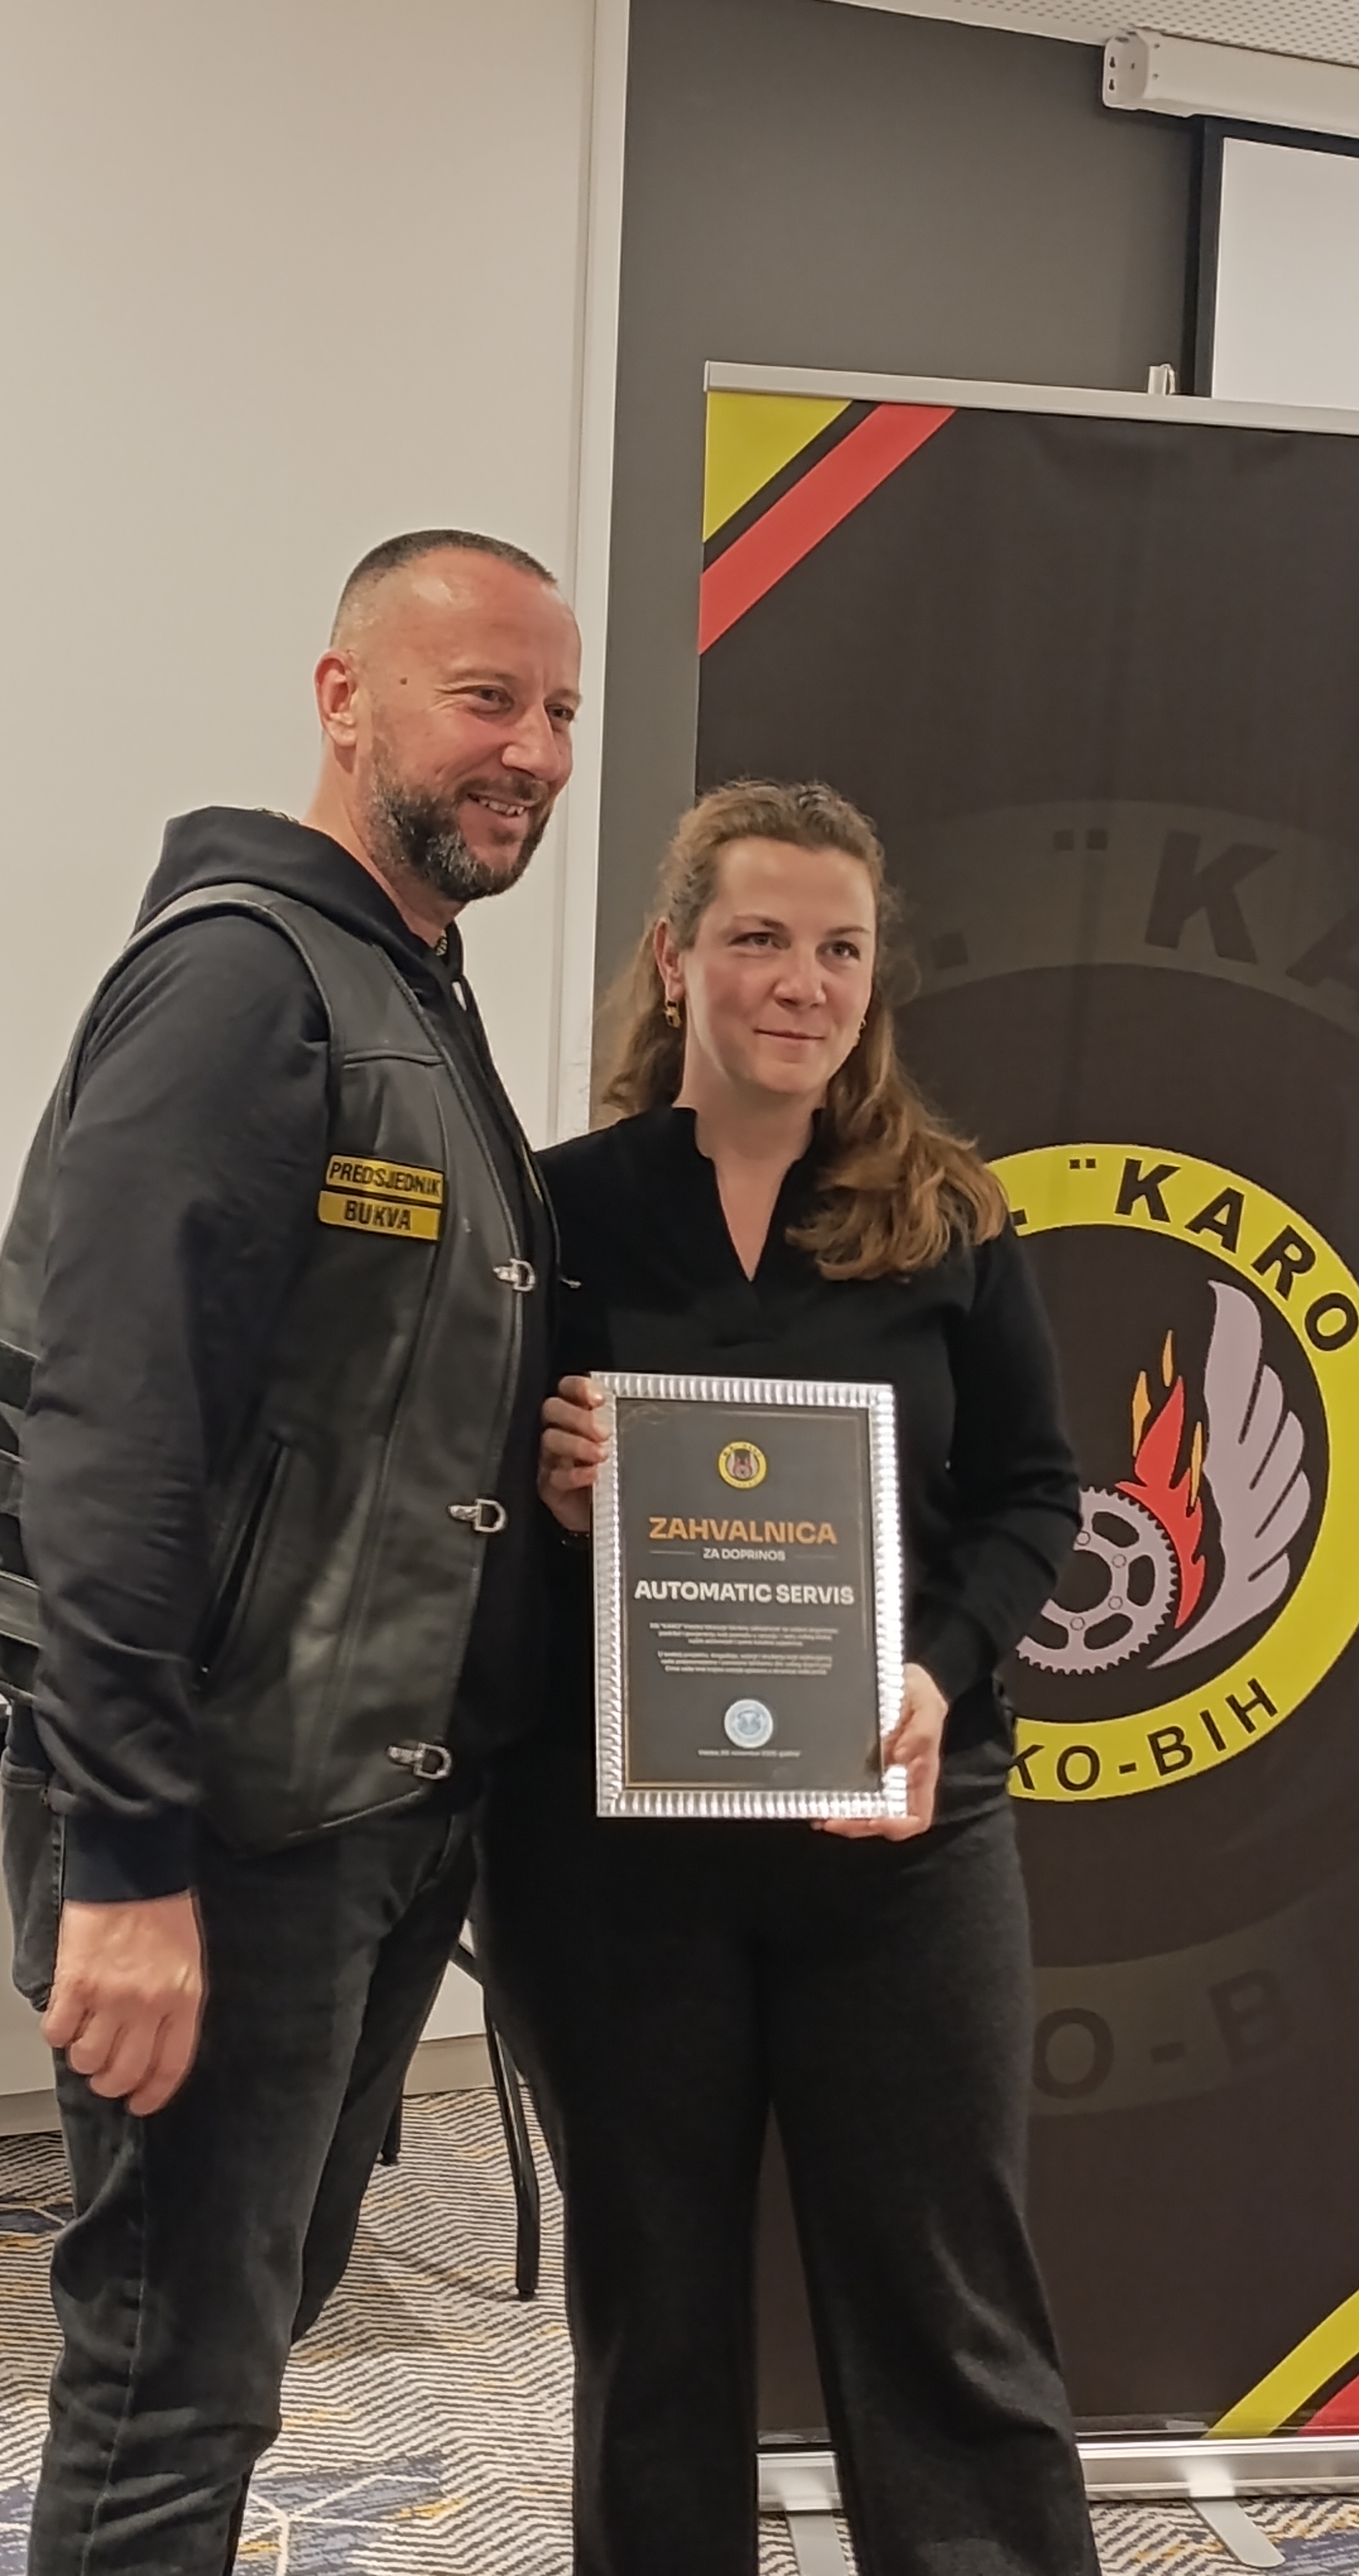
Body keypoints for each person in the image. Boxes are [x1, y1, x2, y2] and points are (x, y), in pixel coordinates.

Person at [0, 529, 580, 2573]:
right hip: (231, 1829)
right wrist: (127, 1861)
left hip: (374, 1812)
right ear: (345, 701)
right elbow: (109, 1433)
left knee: (244, 2336)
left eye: (560, 711)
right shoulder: (243, 981)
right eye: (485, 697)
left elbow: (358, 1397)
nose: (534, 749)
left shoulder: (404, 987)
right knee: (169, 2380)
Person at [474, 778, 1099, 2576]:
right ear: (675, 959)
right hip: (617, 1857)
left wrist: (939, 1671)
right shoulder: (557, 1214)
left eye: (840, 948)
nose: (802, 983)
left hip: (899, 1835)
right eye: (759, 937)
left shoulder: (950, 1216)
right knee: (653, 2317)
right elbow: (461, 1497)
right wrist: (559, 1495)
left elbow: (1035, 1492)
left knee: (947, 2308)